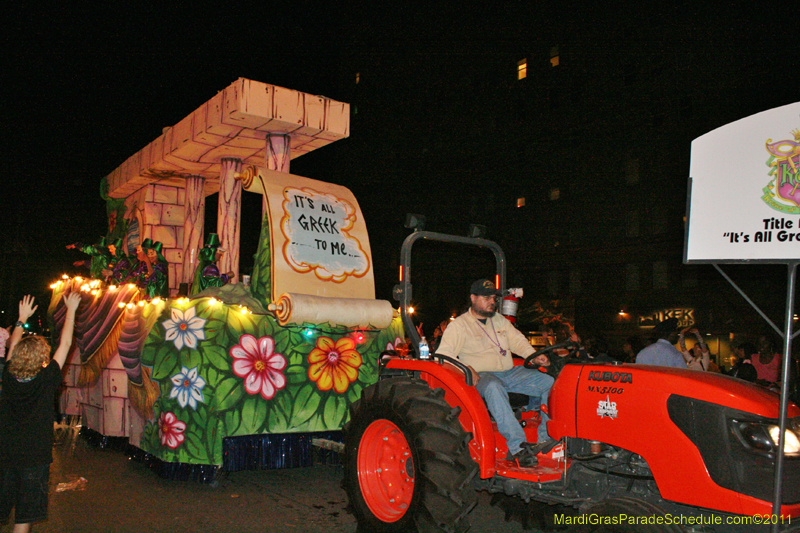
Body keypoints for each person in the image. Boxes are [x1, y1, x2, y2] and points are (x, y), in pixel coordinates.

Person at [436, 279, 554, 466]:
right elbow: (442, 356)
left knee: (550, 383)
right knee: (493, 386)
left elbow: (517, 341)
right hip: (483, 375)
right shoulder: (459, 325)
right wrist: (467, 368)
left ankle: (545, 438)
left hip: (509, 373)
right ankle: (518, 447)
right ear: (473, 298)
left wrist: (533, 355)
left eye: (493, 297)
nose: (492, 301)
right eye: (486, 297)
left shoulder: (500, 321)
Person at [0, 292, 81, 533]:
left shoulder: (8, 377)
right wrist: (71, 311)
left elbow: (12, 348)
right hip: (35, 457)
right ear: (42, 358)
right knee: (25, 515)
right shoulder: (46, 380)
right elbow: (65, 344)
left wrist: (21, 319)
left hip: (5, 453)